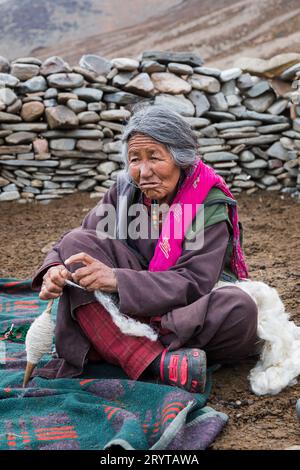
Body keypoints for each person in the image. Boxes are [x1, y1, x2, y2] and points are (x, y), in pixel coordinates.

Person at [31, 105, 260, 393]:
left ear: (180, 158)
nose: (143, 171)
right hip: (131, 304)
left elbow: (193, 282)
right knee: (78, 244)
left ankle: (107, 342)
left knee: (240, 311)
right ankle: (154, 362)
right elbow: (76, 238)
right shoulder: (126, 191)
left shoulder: (207, 205)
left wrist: (116, 280)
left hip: (182, 308)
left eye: (155, 157)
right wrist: (55, 268)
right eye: (134, 159)